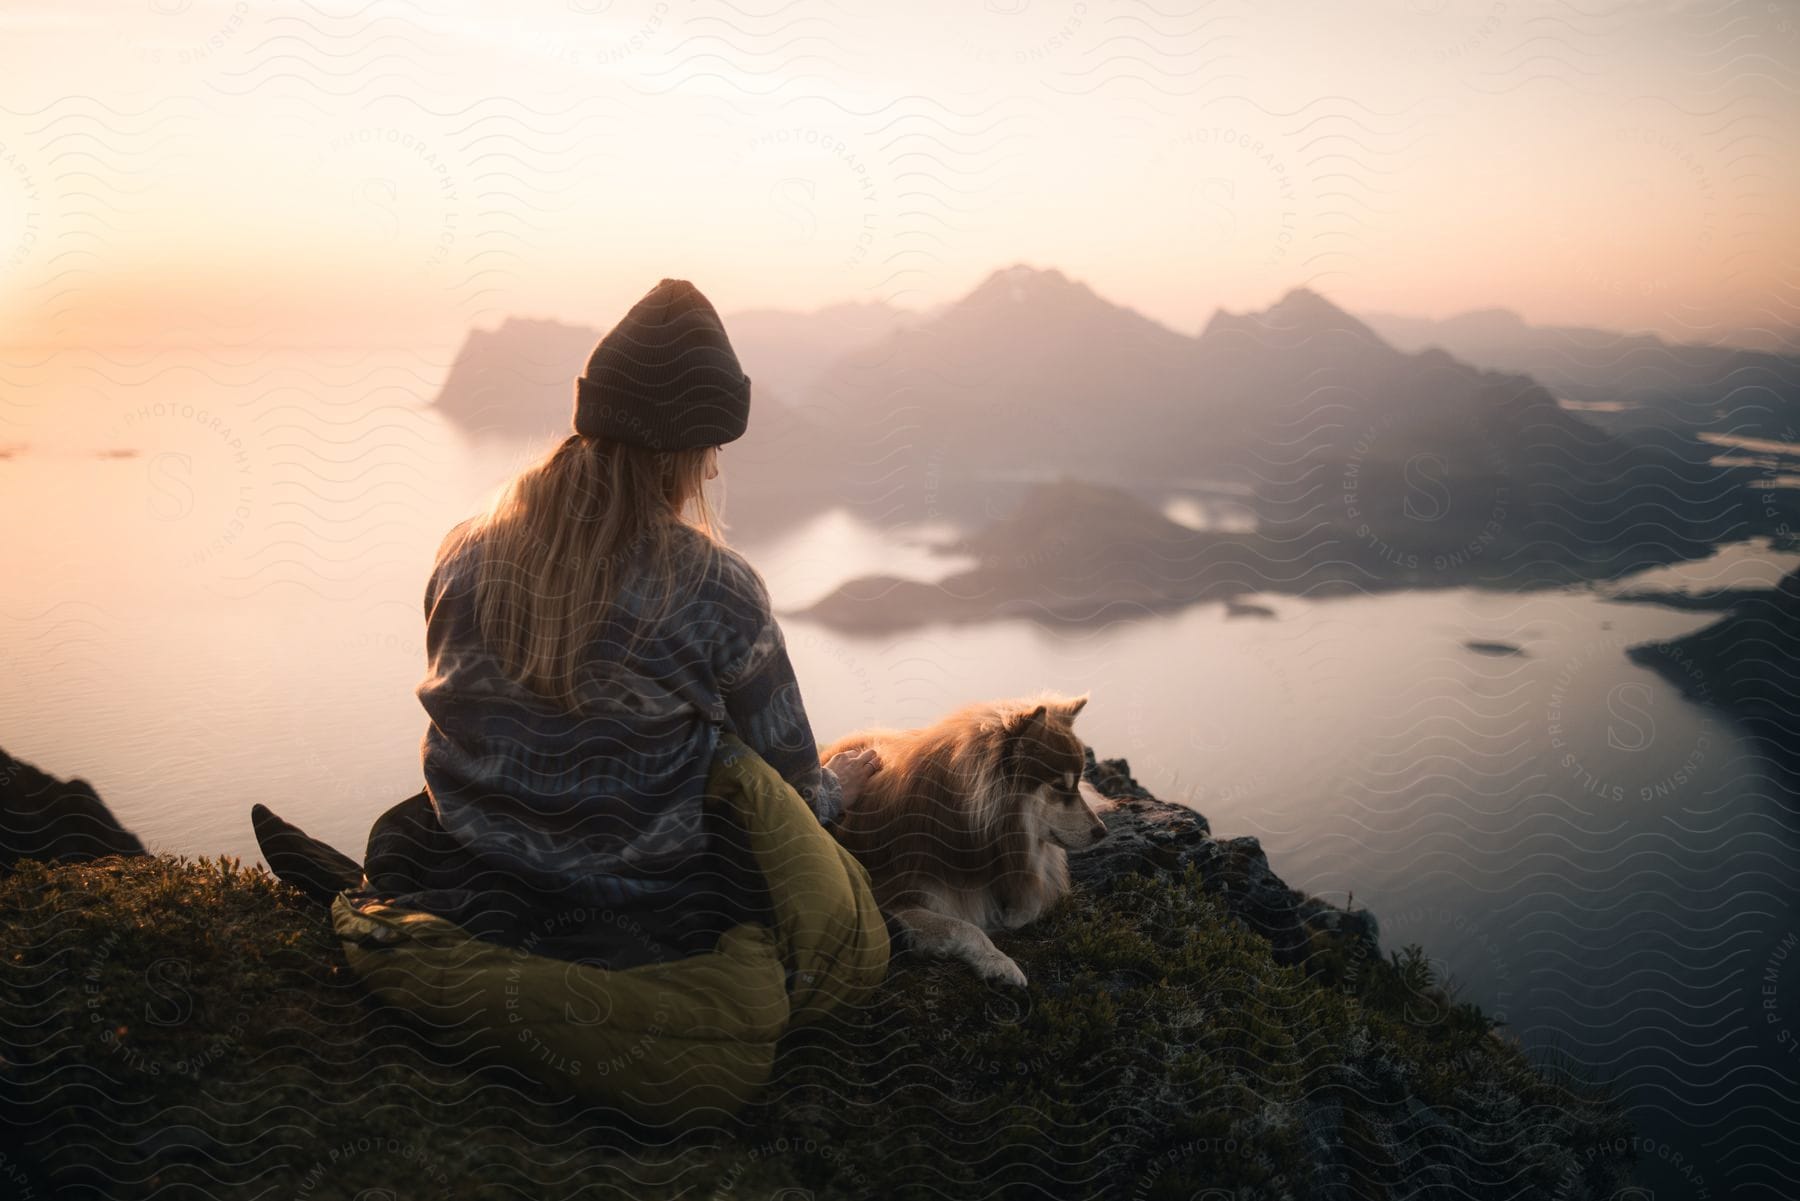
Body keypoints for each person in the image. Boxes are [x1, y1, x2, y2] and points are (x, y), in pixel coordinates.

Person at [252, 277, 882, 970]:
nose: (709, 474)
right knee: (735, 783)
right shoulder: (720, 591)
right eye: (711, 450)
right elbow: (791, 790)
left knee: (409, 826)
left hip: (470, 877)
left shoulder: (465, 552)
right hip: (646, 909)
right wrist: (838, 788)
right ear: (685, 452)